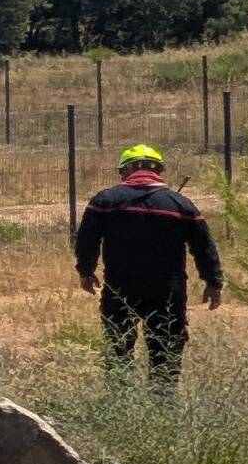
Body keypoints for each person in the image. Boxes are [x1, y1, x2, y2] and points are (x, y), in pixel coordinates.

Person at [74, 144, 221, 382]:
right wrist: (213, 282)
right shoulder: (180, 205)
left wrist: (86, 271)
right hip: (167, 294)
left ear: (127, 170)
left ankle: (118, 406)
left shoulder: (105, 201)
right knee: (165, 360)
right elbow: (204, 247)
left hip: (120, 290)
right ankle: (162, 409)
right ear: (159, 171)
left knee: (118, 354)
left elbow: (86, 240)